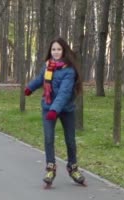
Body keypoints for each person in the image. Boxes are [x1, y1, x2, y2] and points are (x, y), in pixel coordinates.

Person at [24, 37, 85, 186]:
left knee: (70, 140)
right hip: (48, 107)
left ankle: (73, 168)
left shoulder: (69, 70)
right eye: (53, 49)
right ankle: (50, 169)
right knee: (49, 138)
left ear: (64, 50)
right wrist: (30, 87)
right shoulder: (48, 67)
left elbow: (64, 93)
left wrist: (55, 109)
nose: (56, 52)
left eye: (58, 49)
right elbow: (41, 79)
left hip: (66, 109)